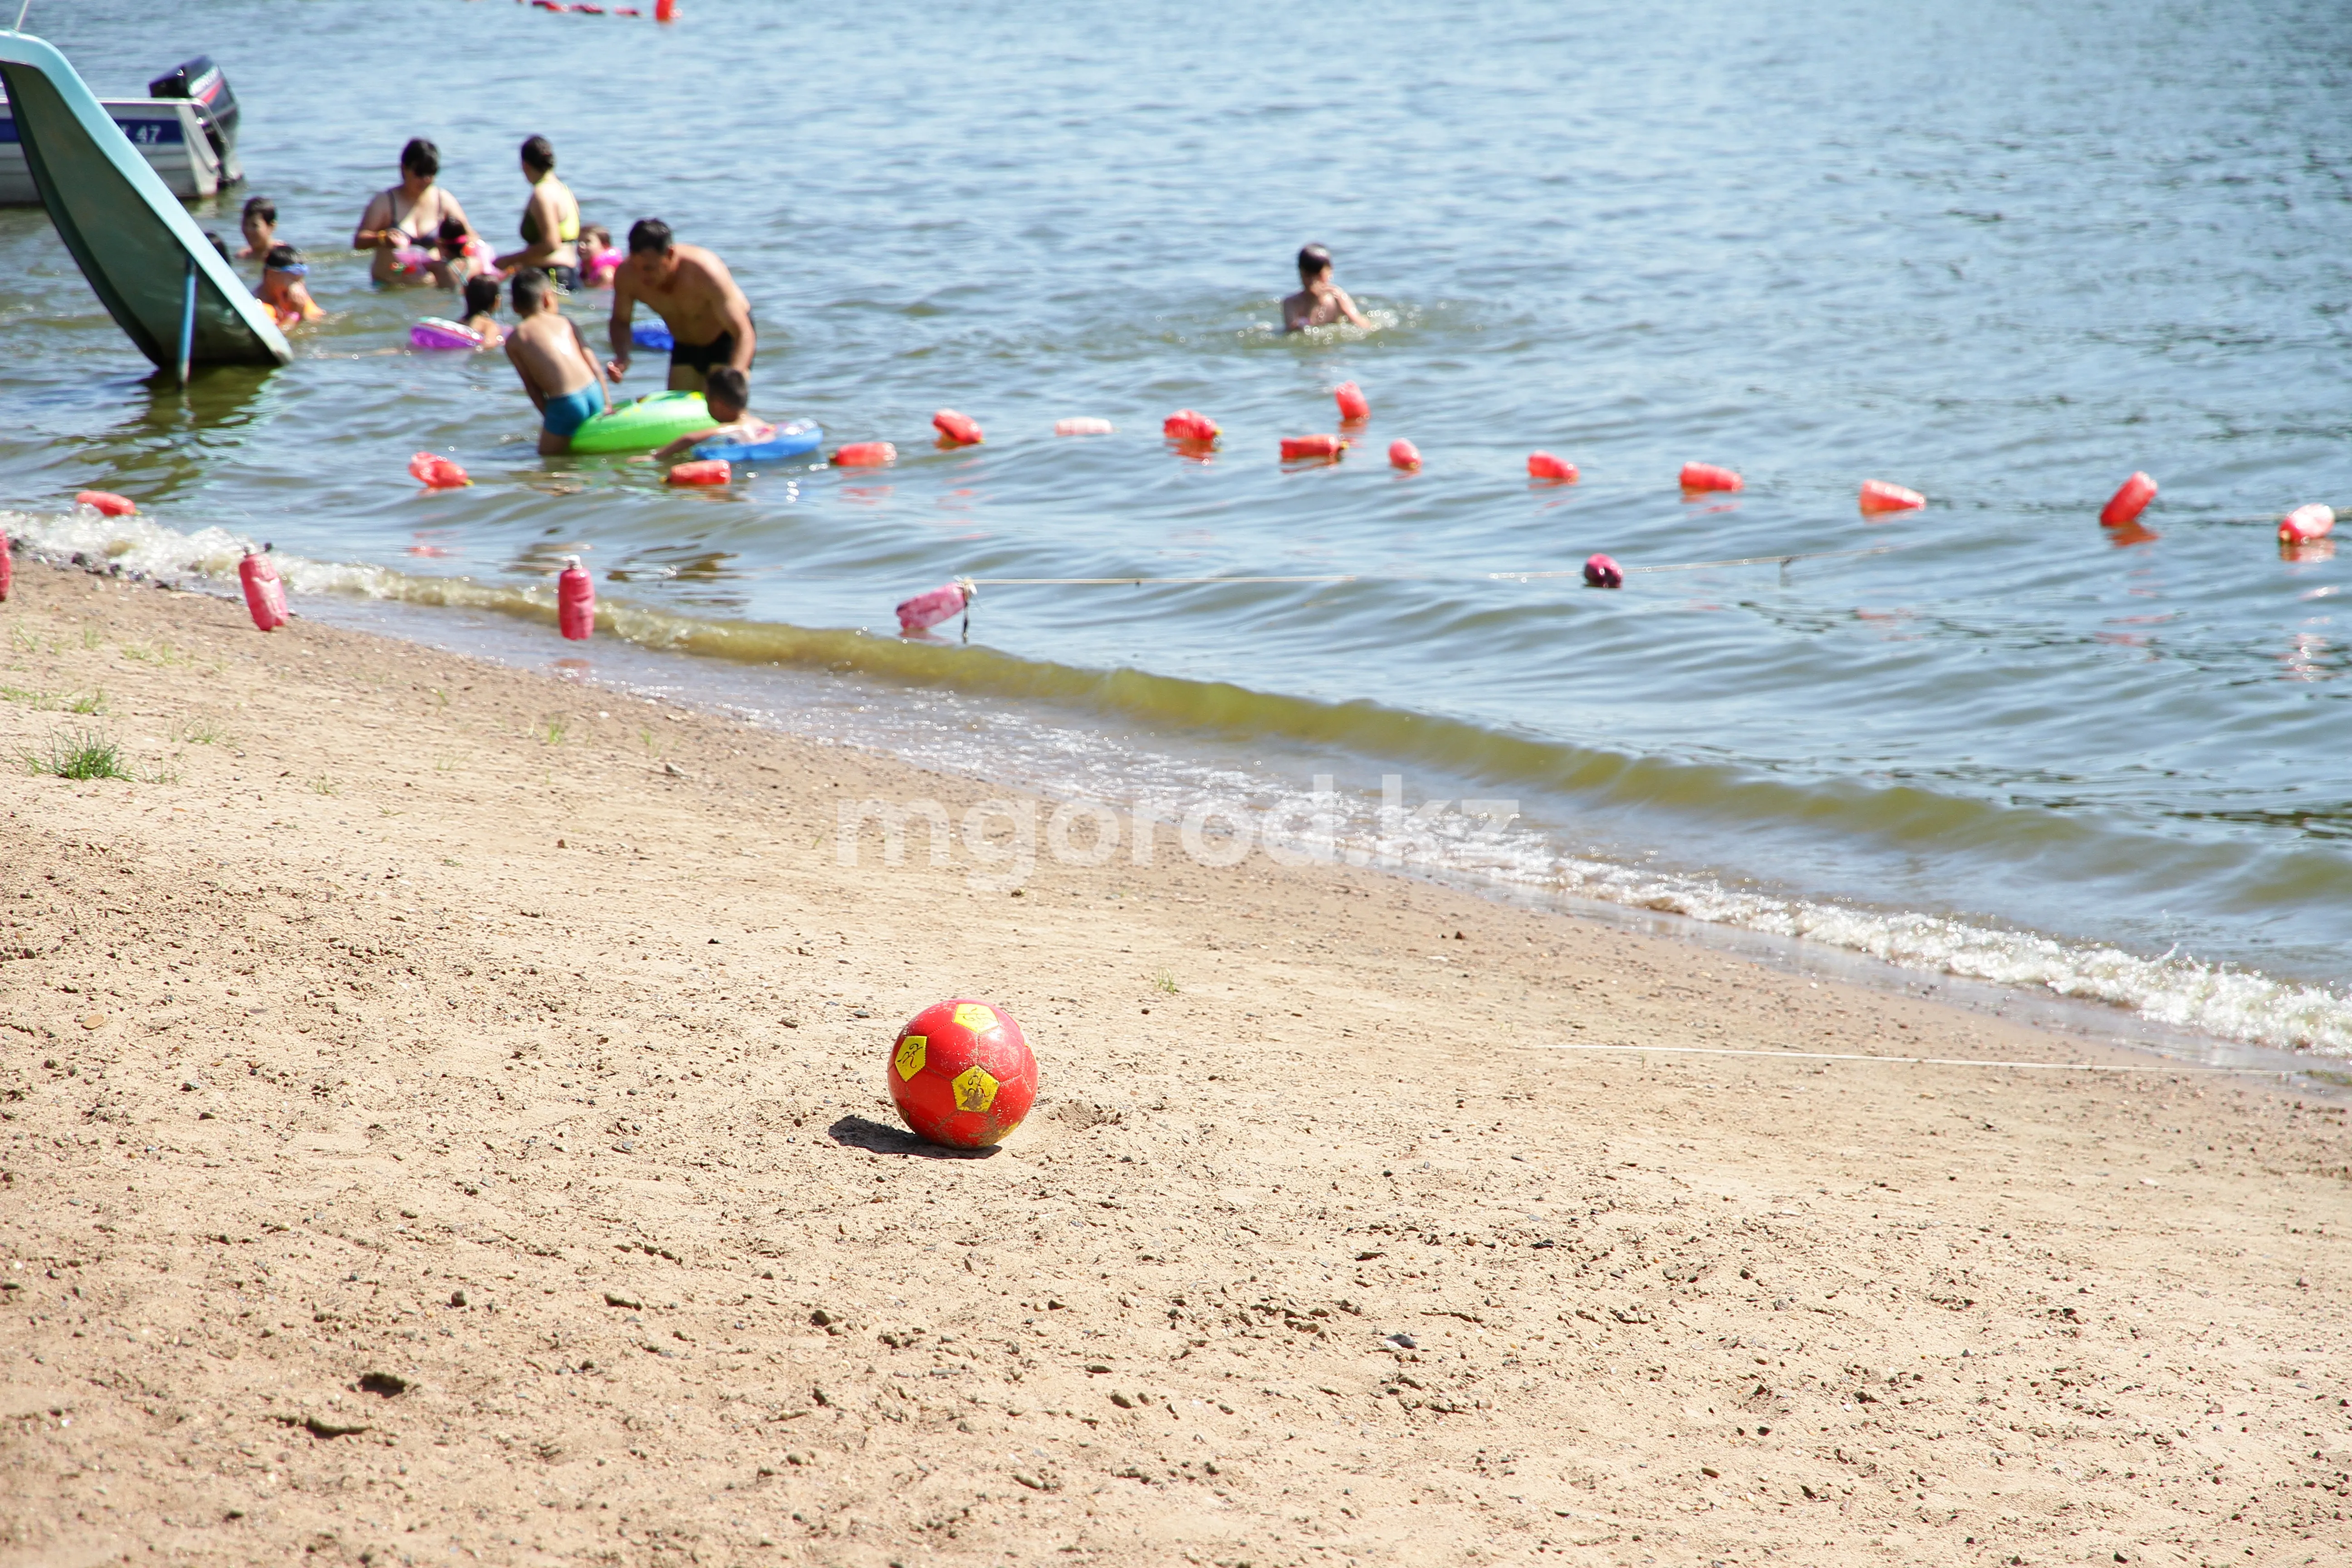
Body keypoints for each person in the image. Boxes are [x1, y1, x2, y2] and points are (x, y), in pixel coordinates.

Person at [604, 218, 755, 394]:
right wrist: (622, 356)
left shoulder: (704, 271)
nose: (642, 276)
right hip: (685, 345)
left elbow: (744, 333)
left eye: (649, 268)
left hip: (725, 339)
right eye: (636, 267)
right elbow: (621, 321)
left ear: (670, 254)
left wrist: (734, 378)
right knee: (677, 411)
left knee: (722, 405)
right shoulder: (627, 276)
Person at [504, 268, 608, 456]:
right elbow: (594, 366)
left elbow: (532, 387)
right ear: (547, 298)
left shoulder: (516, 339)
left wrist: (552, 420)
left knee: (548, 462)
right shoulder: (566, 322)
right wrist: (607, 404)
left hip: (566, 402)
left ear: (514, 306)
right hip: (594, 392)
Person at [352, 138, 472, 287]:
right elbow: (359, 241)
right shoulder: (385, 202)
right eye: (420, 173)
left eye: (432, 172)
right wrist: (382, 238)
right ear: (404, 169)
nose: (426, 179)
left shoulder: (444, 200)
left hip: (430, 292)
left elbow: (471, 238)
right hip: (390, 287)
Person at [493, 135, 582, 291]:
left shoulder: (542, 194)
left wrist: (508, 260)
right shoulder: (565, 191)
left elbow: (551, 244)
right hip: (571, 276)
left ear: (525, 165)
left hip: (551, 278)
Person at [644, 366, 765, 461]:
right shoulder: (759, 423)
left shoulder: (732, 428)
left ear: (717, 404)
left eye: (707, 400)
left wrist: (656, 456)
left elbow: (690, 438)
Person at [1282, 243, 1371, 333]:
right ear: (1300, 273)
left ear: (1330, 272)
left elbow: (1364, 326)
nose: (1314, 281)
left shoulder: (1338, 296)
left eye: (1319, 276)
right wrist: (1312, 306)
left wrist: (1344, 309)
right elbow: (1293, 333)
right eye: (1308, 276)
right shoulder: (1291, 303)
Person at [258, 243, 324, 325]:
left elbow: (319, 322)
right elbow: (274, 336)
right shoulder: (257, 306)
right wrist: (294, 315)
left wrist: (302, 313)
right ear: (271, 275)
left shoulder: (298, 299)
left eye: (301, 281)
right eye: (294, 280)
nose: (298, 288)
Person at [426, 216, 495, 291]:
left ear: (441, 244)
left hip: (448, 301)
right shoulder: (477, 264)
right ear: (466, 242)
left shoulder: (436, 267)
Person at [456, 274, 504, 349]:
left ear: (466, 297)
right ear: (497, 302)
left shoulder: (460, 322)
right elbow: (489, 344)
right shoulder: (490, 326)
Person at [578, 224, 622, 288]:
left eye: (588, 242)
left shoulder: (606, 274)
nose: (581, 246)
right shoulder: (585, 271)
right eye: (579, 241)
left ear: (605, 245)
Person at [237, 195, 276, 260]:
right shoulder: (242, 256)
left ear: (271, 226)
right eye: (245, 224)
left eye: (255, 226)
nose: (248, 230)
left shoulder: (284, 257)